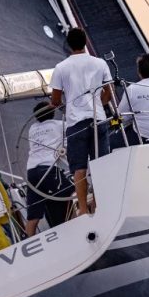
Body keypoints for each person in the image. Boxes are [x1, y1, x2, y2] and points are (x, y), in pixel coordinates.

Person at [50, 28, 112, 215]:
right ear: (85, 42)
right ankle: (101, 206)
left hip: (76, 124)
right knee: (100, 166)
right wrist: (98, 105)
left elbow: (55, 100)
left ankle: (84, 210)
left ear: (68, 44)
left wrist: (66, 106)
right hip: (98, 120)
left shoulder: (61, 68)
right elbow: (109, 93)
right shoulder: (100, 63)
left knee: (79, 169)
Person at [25, 102, 74, 236]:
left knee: (33, 216)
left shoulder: (32, 128)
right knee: (72, 192)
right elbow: (73, 135)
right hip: (48, 170)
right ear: (52, 113)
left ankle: (29, 241)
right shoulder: (59, 125)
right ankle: (75, 227)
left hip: (31, 172)